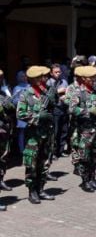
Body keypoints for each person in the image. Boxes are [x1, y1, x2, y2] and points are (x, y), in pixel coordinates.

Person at [17, 66, 56, 204]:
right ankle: (32, 191)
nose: (42, 80)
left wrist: (53, 100)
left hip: (47, 133)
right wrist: (38, 116)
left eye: (43, 77)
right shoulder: (25, 94)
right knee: (32, 163)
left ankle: (41, 188)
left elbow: (53, 108)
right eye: (39, 78)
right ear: (32, 80)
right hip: (33, 136)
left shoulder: (46, 93)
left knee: (44, 162)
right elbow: (20, 114)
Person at [69, 66, 96, 192]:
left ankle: (92, 178)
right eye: (91, 78)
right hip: (84, 131)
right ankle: (85, 181)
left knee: (95, 155)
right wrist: (88, 111)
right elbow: (72, 109)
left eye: (95, 77)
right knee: (84, 157)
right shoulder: (78, 92)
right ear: (84, 79)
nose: (94, 80)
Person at [47, 64, 69, 160]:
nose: (58, 74)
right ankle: (53, 152)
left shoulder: (64, 81)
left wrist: (66, 95)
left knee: (64, 130)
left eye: (59, 72)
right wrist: (58, 92)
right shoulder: (49, 83)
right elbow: (48, 96)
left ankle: (60, 150)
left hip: (64, 108)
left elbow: (68, 91)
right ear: (51, 73)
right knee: (55, 132)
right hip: (55, 109)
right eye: (56, 72)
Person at [0, 76, 15, 198]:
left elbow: (12, 107)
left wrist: (7, 95)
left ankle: (1, 180)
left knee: (3, 156)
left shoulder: (3, 92)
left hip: (4, 129)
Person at [12, 71, 29, 155]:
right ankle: (22, 151)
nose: (24, 77)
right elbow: (14, 101)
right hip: (22, 113)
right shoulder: (16, 88)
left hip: (31, 113)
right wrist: (21, 99)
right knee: (22, 133)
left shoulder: (30, 86)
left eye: (25, 76)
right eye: (21, 76)